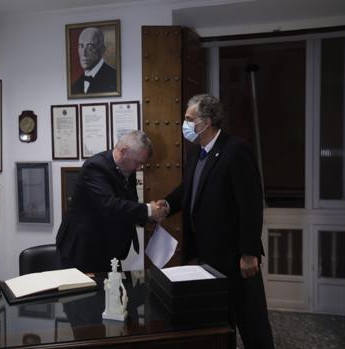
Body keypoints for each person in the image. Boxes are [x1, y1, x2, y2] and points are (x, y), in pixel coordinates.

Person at [160, 94, 274, 348]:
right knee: (219, 324)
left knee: (252, 324)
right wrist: (166, 206)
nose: (185, 124)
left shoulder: (236, 149)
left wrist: (248, 253)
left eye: (189, 119)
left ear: (207, 121)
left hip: (236, 258)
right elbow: (189, 189)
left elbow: (251, 205)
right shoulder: (196, 151)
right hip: (207, 258)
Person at [56, 130, 167, 272]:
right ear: (123, 151)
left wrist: (151, 215)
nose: (140, 168)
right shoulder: (96, 167)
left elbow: (130, 204)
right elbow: (109, 205)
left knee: (112, 292)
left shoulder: (128, 169)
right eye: (138, 162)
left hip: (109, 250)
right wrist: (149, 210)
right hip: (83, 251)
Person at [71, 27, 116, 95]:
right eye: (81, 46)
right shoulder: (75, 85)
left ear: (102, 49)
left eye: (90, 46)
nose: (84, 53)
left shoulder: (114, 78)